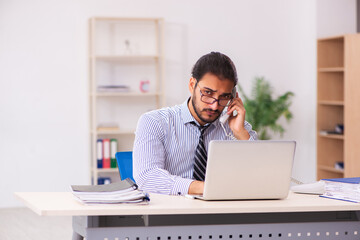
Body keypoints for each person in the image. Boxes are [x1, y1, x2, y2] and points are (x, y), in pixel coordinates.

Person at [133, 52, 257, 196]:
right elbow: (148, 177)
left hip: (225, 212)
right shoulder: (154, 122)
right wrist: (205, 188)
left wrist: (241, 134)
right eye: (208, 93)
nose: (214, 106)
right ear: (192, 85)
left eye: (224, 97)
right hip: (172, 214)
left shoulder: (238, 128)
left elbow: (260, 176)